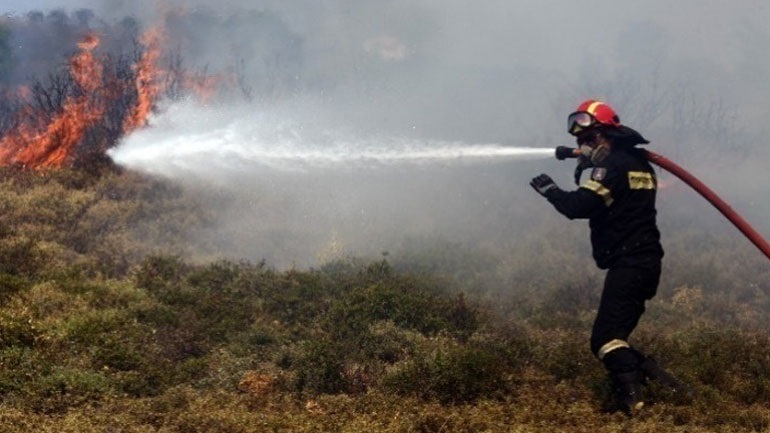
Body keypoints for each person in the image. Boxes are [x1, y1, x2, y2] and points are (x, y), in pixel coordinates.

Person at [529, 99, 682, 414]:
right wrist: (584, 162)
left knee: (605, 339)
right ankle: (676, 391)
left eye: (590, 138)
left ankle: (634, 404)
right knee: (615, 337)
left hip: (631, 262)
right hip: (642, 262)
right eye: (580, 142)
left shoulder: (611, 167)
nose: (584, 146)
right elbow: (610, 190)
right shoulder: (636, 163)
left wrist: (550, 191)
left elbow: (579, 207)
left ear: (609, 134)